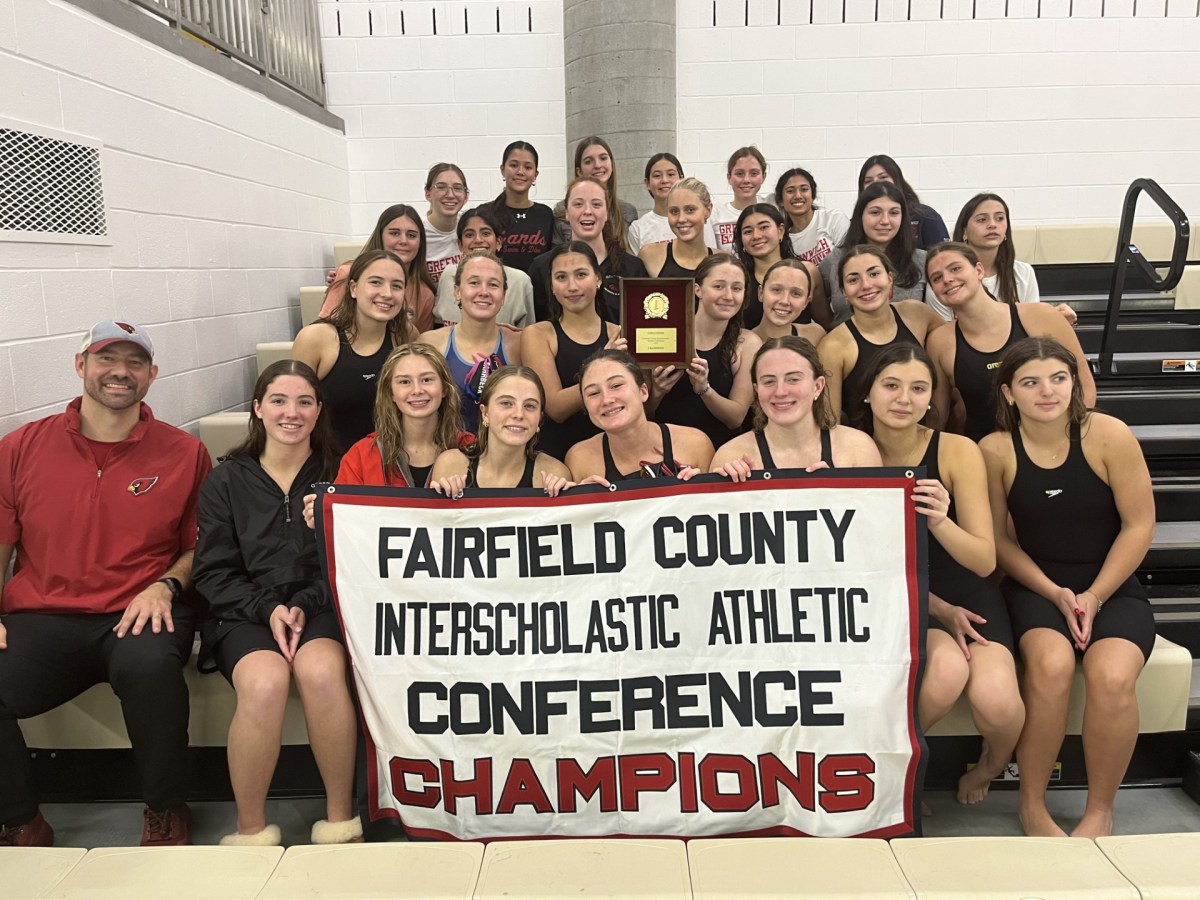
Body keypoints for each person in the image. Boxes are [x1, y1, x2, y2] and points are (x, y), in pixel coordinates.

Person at [0, 321, 211, 847]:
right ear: (81, 366)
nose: (120, 371)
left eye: (135, 362)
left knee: (150, 670)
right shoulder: (21, 446)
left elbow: (199, 546)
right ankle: (21, 819)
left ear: (152, 375)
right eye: (106, 358)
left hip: (143, 609)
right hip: (44, 615)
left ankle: (165, 811)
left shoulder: (185, 452)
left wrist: (166, 584)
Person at [981, 337, 1155, 838]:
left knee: (1113, 677)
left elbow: (1139, 526)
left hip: (1112, 585)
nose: (1047, 392)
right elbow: (996, 541)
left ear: (1074, 383)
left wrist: (1095, 595)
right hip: (1036, 586)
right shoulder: (995, 450)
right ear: (1010, 393)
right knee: (1052, 664)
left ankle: (1099, 810)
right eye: (1031, 382)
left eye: (1058, 379)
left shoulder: (1109, 435)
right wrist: (1056, 592)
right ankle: (1031, 805)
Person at [194, 361, 360, 847]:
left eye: (305, 401)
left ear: (319, 410)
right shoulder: (225, 480)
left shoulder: (340, 471)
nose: (292, 412)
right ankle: (250, 829)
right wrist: (268, 609)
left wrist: (306, 604)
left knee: (322, 673)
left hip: (322, 604)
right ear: (258, 409)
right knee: (264, 681)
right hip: (245, 612)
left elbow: (353, 561)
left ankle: (340, 819)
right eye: (280, 401)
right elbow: (213, 571)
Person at [863, 344, 1023, 806]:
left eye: (919, 389)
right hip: (895, 596)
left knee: (998, 702)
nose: (904, 399)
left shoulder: (955, 450)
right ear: (869, 393)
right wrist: (936, 608)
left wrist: (939, 521)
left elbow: (984, 561)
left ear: (933, 398)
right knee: (945, 674)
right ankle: (890, 769)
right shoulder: (851, 448)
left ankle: (992, 763)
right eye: (891, 386)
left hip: (964, 589)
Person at [924, 242, 1095, 442]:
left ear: (979, 270)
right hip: (985, 455)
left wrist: (1069, 438)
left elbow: (1085, 387)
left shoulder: (1041, 316)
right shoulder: (940, 341)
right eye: (937, 278)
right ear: (933, 290)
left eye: (955, 268)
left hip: (1055, 442)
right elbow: (938, 417)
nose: (947, 279)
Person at [293, 249, 413, 456]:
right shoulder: (317, 339)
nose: (387, 293)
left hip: (386, 466)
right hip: (328, 466)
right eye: (375, 282)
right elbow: (292, 412)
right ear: (354, 288)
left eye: (397, 286)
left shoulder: (405, 335)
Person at [710, 335, 881, 477]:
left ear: (818, 386)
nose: (780, 391)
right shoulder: (730, 456)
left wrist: (837, 493)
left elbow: (880, 515)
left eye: (793, 379)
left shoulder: (858, 449)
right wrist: (727, 493)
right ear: (756, 390)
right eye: (769, 381)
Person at [818, 245, 949, 425]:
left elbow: (953, 344)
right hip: (865, 447)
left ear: (889, 279)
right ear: (844, 292)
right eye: (853, 279)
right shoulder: (833, 347)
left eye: (873, 274)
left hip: (924, 435)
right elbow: (830, 422)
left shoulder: (917, 314)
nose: (866, 285)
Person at [523, 243, 625, 460]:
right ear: (551, 285)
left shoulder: (619, 334)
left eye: (581, 275)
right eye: (561, 277)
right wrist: (603, 362)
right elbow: (556, 408)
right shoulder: (539, 334)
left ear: (598, 279)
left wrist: (659, 390)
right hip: (556, 459)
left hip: (613, 453)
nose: (572, 286)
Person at [649, 253, 762, 449]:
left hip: (722, 454)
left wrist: (704, 388)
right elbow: (642, 414)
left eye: (736, 288)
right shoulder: (663, 334)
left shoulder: (748, 343)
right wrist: (658, 392)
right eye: (718, 286)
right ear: (697, 289)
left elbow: (736, 418)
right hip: (665, 450)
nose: (728, 296)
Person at [334, 343, 472, 489]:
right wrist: (320, 509)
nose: (417, 390)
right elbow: (339, 509)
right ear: (391, 393)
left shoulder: (471, 448)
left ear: (444, 388)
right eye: (404, 382)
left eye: (427, 380)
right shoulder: (362, 455)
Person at [566, 349, 714, 485]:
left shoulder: (695, 444)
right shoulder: (579, 460)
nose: (606, 399)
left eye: (616, 385)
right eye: (593, 393)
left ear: (643, 391)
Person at [418, 250, 522, 434]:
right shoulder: (431, 344)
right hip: (448, 453)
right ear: (457, 291)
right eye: (474, 283)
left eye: (493, 285)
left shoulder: (520, 344)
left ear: (504, 296)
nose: (484, 291)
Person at [429, 367, 572, 494]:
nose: (519, 414)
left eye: (529, 406)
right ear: (485, 413)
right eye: (506, 403)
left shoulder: (554, 473)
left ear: (539, 419)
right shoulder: (451, 465)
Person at [528, 176, 647, 322]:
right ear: (566, 212)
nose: (588, 211)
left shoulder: (633, 269)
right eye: (578, 204)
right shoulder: (542, 267)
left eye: (596, 205)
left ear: (607, 213)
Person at [954, 193, 1077, 325]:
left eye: (1000, 218)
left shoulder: (1023, 272)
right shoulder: (949, 277)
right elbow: (943, 333)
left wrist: (1055, 320)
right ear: (964, 231)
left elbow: (1032, 326)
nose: (992, 224)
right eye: (982, 220)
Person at [818, 182, 930, 328]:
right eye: (875, 212)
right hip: (848, 347)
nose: (885, 221)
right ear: (860, 216)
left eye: (894, 213)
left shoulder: (923, 261)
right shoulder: (834, 260)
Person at [319, 205, 436, 332]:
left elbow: (420, 344)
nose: (403, 241)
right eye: (394, 233)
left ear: (421, 242)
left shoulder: (425, 294)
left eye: (411, 235)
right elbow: (324, 331)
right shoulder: (348, 274)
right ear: (380, 235)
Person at [433, 206, 534, 327]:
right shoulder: (448, 274)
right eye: (469, 235)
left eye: (486, 233)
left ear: (498, 242)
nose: (478, 240)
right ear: (460, 244)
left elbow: (527, 333)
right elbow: (438, 323)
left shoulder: (520, 281)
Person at [487, 140, 556, 273]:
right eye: (514, 165)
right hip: (499, 291)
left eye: (528, 167)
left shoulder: (545, 214)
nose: (520, 172)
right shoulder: (486, 214)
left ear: (535, 174)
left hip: (537, 292)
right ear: (502, 169)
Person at [553, 136, 638, 245]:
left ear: (611, 164)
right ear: (579, 171)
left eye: (603, 158)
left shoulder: (627, 211)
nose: (598, 165)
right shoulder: (561, 210)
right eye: (588, 161)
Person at [627, 153, 718, 254]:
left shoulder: (700, 220)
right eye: (657, 176)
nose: (664, 180)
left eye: (670, 174)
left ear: (681, 178)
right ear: (647, 183)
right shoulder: (638, 228)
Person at [859, 154, 949, 250]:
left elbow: (943, 257)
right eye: (868, 181)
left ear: (897, 180)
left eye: (883, 177)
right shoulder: (856, 222)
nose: (876, 183)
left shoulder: (926, 216)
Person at [732, 203, 798, 330]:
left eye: (764, 227)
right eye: (748, 231)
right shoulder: (737, 279)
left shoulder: (808, 272)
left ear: (781, 231)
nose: (756, 236)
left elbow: (826, 321)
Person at [638, 178, 715, 278]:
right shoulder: (649, 256)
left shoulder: (723, 261)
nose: (681, 219)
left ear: (707, 210)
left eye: (690, 210)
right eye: (674, 211)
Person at [776, 166, 850, 266]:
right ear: (781, 201)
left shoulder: (833, 218)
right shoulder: (784, 240)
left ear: (813, 195)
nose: (798, 196)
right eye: (790, 191)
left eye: (804, 189)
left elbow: (851, 259)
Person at [752, 259, 826, 348]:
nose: (784, 301)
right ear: (761, 293)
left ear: (806, 303)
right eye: (776, 290)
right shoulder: (742, 344)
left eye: (796, 293)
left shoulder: (814, 336)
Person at [710, 146, 770, 253]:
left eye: (754, 173)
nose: (746, 180)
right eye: (739, 174)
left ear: (764, 176)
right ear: (729, 177)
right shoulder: (715, 213)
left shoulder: (772, 205)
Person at [421, 163, 470, 289]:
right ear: (428, 193)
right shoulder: (417, 233)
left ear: (466, 196)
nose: (450, 194)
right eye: (441, 187)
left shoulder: (471, 226)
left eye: (457, 188)